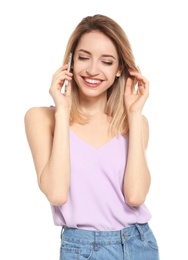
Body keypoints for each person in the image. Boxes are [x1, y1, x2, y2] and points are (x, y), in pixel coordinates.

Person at [24, 14, 160, 260]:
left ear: (119, 69)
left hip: (139, 243)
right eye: (83, 57)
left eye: (106, 62)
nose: (92, 70)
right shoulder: (41, 119)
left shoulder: (134, 124)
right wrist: (63, 111)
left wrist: (134, 115)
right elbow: (56, 193)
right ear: (70, 62)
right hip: (83, 248)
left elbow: (135, 196)